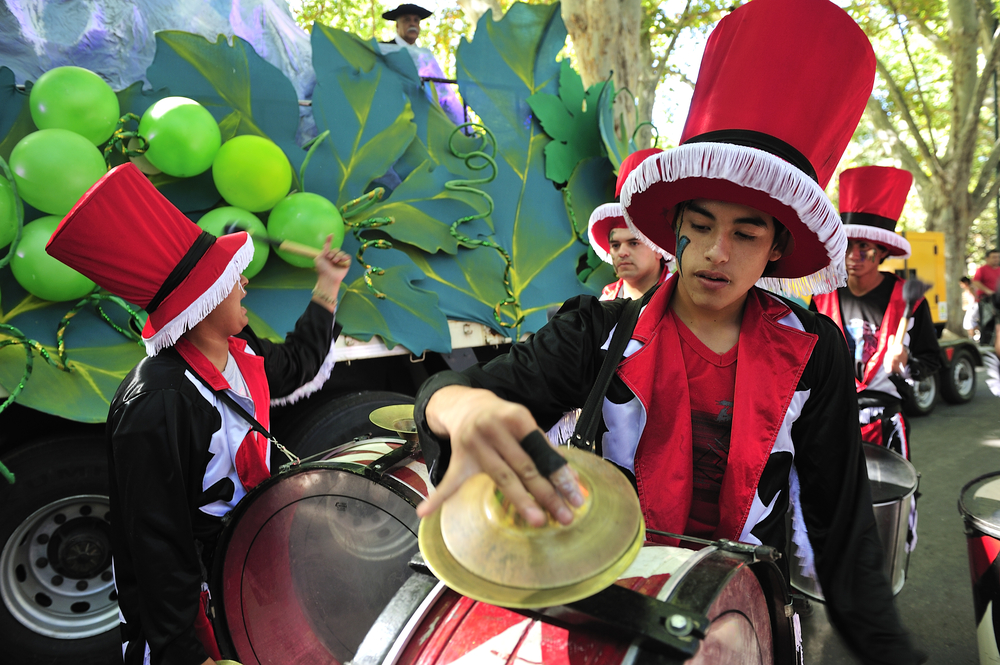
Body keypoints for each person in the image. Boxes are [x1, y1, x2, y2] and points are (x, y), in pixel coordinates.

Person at [411, 0, 922, 663]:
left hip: (748, 622)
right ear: (673, 224)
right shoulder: (596, 332)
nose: (716, 251)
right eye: (701, 224)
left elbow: (842, 529)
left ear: (776, 249)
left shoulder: (814, 353)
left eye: (746, 232)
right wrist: (463, 404)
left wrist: (891, 651)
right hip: (608, 610)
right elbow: (453, 392)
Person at [45, 163, 350, 665]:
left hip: (243, 574)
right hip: (193, 613)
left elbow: (294, 365)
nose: (245, 282)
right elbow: (156, 545)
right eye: (234, 278)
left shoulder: (237, 354)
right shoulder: (156, 402)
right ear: (204, 300)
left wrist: (328, 284)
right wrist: (187, 654)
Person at [811, 166, 939, 461]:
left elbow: (930, 360)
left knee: (889, 505)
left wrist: (907, 364)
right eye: (847, 246)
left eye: (864, 247)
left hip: (886, 424)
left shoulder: (909, 300)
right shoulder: (822, 297)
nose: (854, 255)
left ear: (881, 252)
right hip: (833, 421)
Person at [589, 149, 674, 301]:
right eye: (615, 245)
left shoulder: (683, 302)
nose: (622, 253)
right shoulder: (603, 303)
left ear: (659, 249)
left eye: (634, 243)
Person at [378, 3, 464, 126]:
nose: (412, 24)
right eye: (407, 20)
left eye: (416, 20)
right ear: (397, 26)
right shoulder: (383, 50)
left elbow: (441, 90)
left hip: (426, 116)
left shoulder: (425, 56)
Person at [973, 249, 1000, 344]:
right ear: (987, 258)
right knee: (987, 322)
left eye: (998, 257)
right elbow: (975, 281)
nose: (996, 259)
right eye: (994, 257)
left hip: (998, 301)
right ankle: (984, 343)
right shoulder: (982, 269)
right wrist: (987, 290)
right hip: (986, 301)